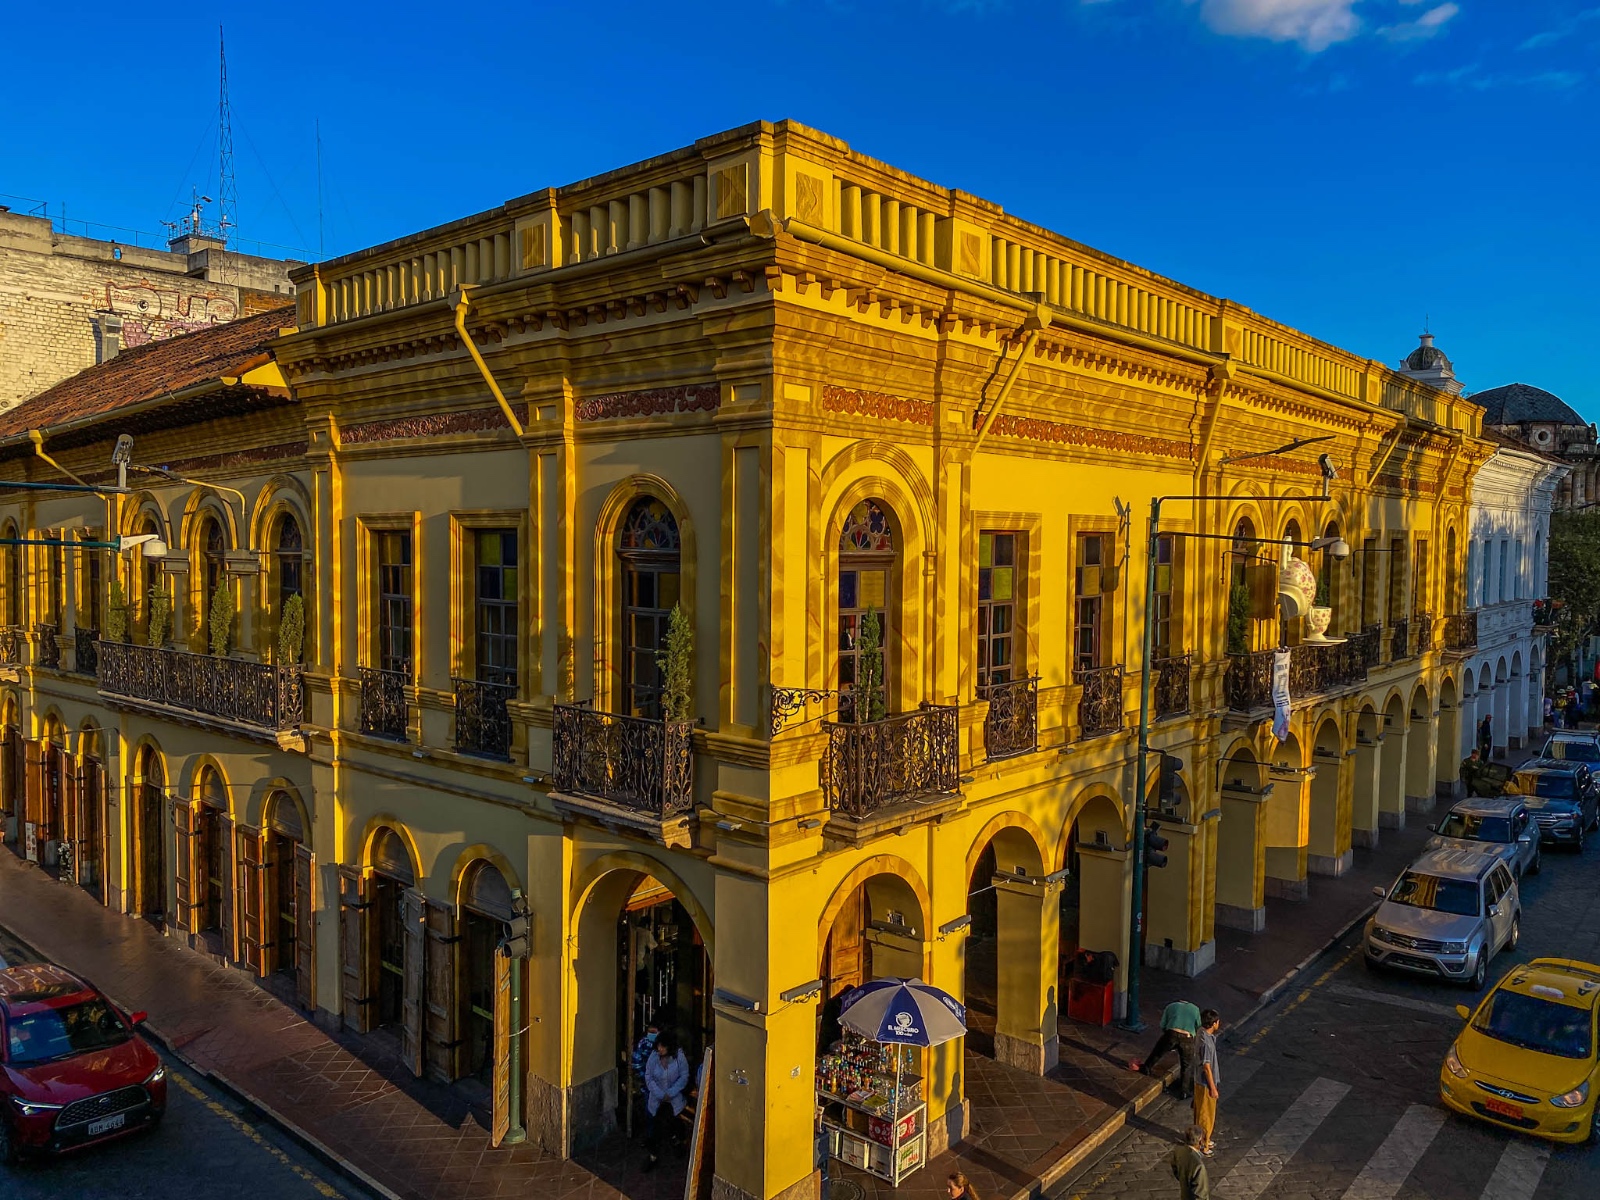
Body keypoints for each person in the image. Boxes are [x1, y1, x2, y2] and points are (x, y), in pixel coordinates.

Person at [1129, 999, 1201, 1096]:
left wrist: (1168, 1034)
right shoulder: (1195, 1009)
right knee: (1186, 1065)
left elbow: (1163, 1024)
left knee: (1158, 1052)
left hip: (1171, 1033)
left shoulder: (1170, 1006)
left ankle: (1146, 1068)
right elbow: (1198, 1025)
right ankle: (1184, 1091)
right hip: (1187, 1037)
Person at [643, 1034, 690, 1169]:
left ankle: (675, 1141)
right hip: (657, 1099)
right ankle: (654, 1154)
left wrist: (671, 1093)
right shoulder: (653, 1057)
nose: (660, 1049)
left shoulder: (679, 1057)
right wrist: (660, 1094)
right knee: (657, 1125)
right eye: (658, 1046)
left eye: (663, 1047)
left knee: (671, 1122)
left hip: (673, 1099)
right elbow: (649, 1077)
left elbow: (684, 1076)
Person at [1193, 1009, 1222, 1158]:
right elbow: (1206, 1066)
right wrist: (1213, 1087)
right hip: (1205, 1083)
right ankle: (1204, 1144)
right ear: (1214, 1023)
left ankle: (1201, 1139)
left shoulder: (1202, 1034)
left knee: (1201, 1113)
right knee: (1206, 1115)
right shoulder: (1206, 1042)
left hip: (1200, 1081)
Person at [1167, 1124, 1211, 1200]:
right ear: (1200, 1140)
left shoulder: (1178, 1150)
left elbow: (1174, 1167)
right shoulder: (1198, 1165)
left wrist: (1183, 1180)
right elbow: (1201, 1194)